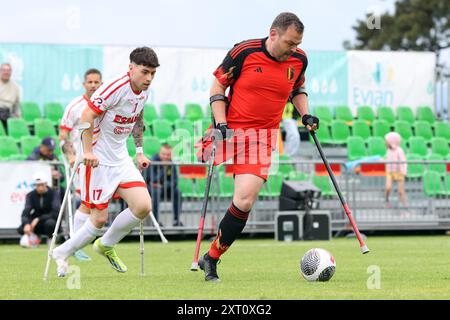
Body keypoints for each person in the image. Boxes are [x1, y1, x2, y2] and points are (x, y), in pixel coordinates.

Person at [197, 12, 319, 282]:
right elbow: (218, 84)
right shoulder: (244, 51)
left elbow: (297, 89)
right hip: (230, 130)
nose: (293, 49)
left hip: (262, 138)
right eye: (289, 43)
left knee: (244, 200)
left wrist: (306, 114)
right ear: (273, 34)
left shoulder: (299, 60)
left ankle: (212, 257)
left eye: (297, 44)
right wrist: (220, 123)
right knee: (200, 157)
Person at [51, 47, 159, 277]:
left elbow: (138, 119)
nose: (149, 78)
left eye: (152, 73)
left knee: (143, 206)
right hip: (98, 160)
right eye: (145, 72)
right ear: (131, 68)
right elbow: (86, 116)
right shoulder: (114, 88)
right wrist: (87, 152)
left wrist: (139, 152)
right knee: (98, 218)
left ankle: (105, 244)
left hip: (121, 158)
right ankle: (62, 251)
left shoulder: (144, 91)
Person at [59, 68, 103, 261]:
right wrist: (70, 155)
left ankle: (78, 243)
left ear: (101, 83)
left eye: (96, 82)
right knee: (86, 202)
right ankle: (75, 245)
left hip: (102, 160)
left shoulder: (105, 104)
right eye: (90, 82)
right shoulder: (74, 106)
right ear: (84, 84)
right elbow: (63, 136)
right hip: (82, 160)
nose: (93, 85)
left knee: (95, 203)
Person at [17, 172, 60, 245]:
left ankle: (50, 238)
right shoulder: (30, 195)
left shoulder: (54, 193)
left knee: (50, 224)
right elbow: (26, 211)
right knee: (21, 228)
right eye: (37, 185)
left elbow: (55, 212)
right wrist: (26, 223)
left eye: (42, 185)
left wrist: (39, 219)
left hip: (50, 220)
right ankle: (34, 237)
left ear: (46, 184)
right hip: (36, 222)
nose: (40, 188)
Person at [146, 143, 183, 226]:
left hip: (165, 188)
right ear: (159, 153)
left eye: (168, 155)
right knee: (156, 191)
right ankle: (155, 222)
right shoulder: (152, 162)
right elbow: (152, 179)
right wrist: (164, 168)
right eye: (164, 154)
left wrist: (163, 184)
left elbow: (174, 181)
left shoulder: (171, 163)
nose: (166, 157)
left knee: (177, 192)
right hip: (151, 189)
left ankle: (176, 220)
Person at [384, 131, 407, 206]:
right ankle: (386, 200)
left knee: (401, 191)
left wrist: (404, 171)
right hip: (390, 172)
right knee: (388, 187)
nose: (385, 143)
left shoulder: (399, 151)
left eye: (386, 141)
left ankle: (405, 206)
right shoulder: (388, 150)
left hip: (399, 172)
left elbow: (403, 161)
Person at [0, 63, 21, 132]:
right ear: (1, 71)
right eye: (4, 70)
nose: (6, 72)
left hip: (8, 114)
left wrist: (18, 119)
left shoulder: (15, 87)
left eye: (8, 70)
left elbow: (16, 106)